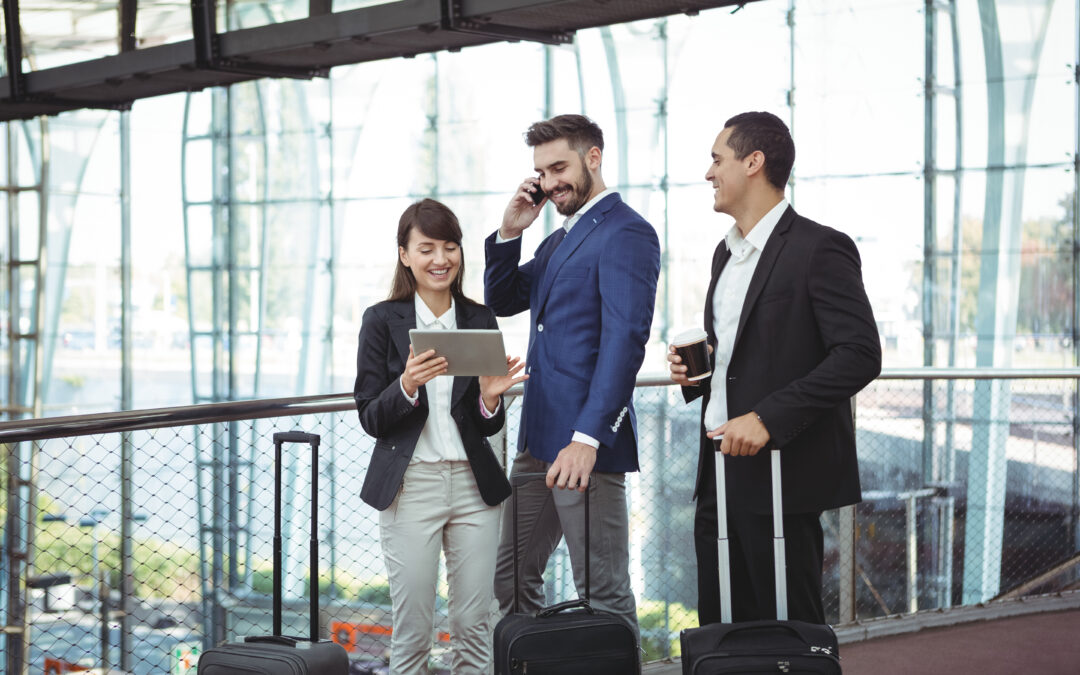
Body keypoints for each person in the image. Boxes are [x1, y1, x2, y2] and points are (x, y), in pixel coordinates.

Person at [667, 111, 881, 625]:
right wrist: (699, 374)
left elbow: (859, 354)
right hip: (717, 471)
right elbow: (751, 355)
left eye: (717, 159)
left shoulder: (819, 247)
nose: (709, 173)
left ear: (754, 162)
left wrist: (766, 418)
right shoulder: (726, 253)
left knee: (788, 633)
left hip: (781, 476)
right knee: (722, 629)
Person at [484, 113, 661, 642]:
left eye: (558, 166)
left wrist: (588, 438)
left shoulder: (627, 233)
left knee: (602, 591)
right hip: (537, 439)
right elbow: (506, 298)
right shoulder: (559, 240)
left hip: (583, 446)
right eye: (541, 171)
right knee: (512, 580)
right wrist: (510, 232)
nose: (549, 181)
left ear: (593, 157)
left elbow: (624, 342)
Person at [354, 198, 527, 675]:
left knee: (474, 624)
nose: (440, 259)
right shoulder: (382, 321)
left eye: (450, 247)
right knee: (414, 627)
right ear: (405, 255)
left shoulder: (479, 318)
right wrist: (407, 386)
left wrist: (492, 399)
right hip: (412, 488)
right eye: (426, 248)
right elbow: (370, 415)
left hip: (475, 489)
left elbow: (486, 423)